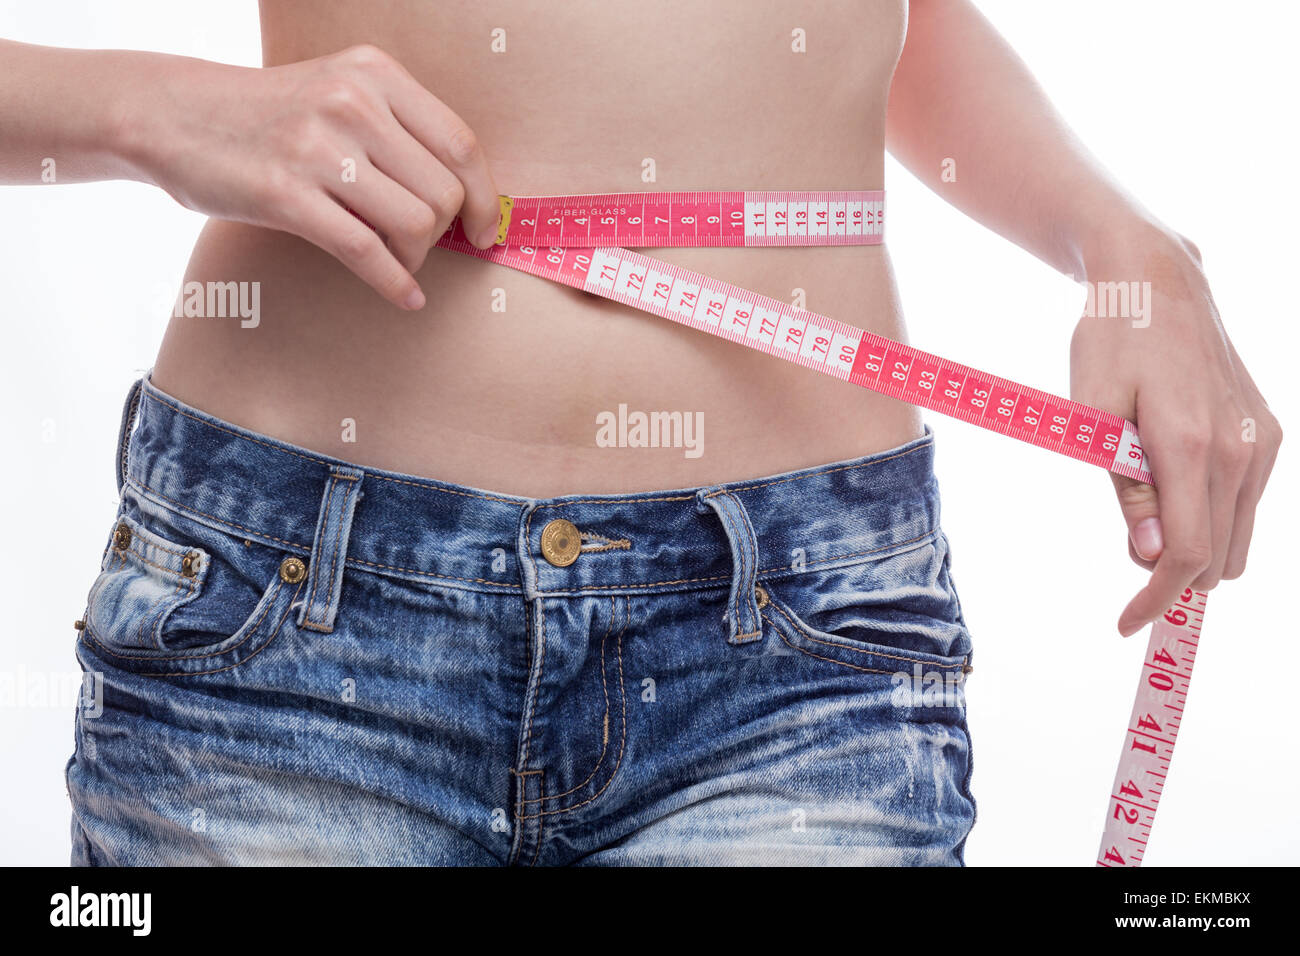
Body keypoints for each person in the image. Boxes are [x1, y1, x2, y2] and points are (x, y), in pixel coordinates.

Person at [2, 0, 1278, 865]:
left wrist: (1127, 247)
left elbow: (900, 24)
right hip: (289, 618)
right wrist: (149, 107)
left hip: (796, 648)